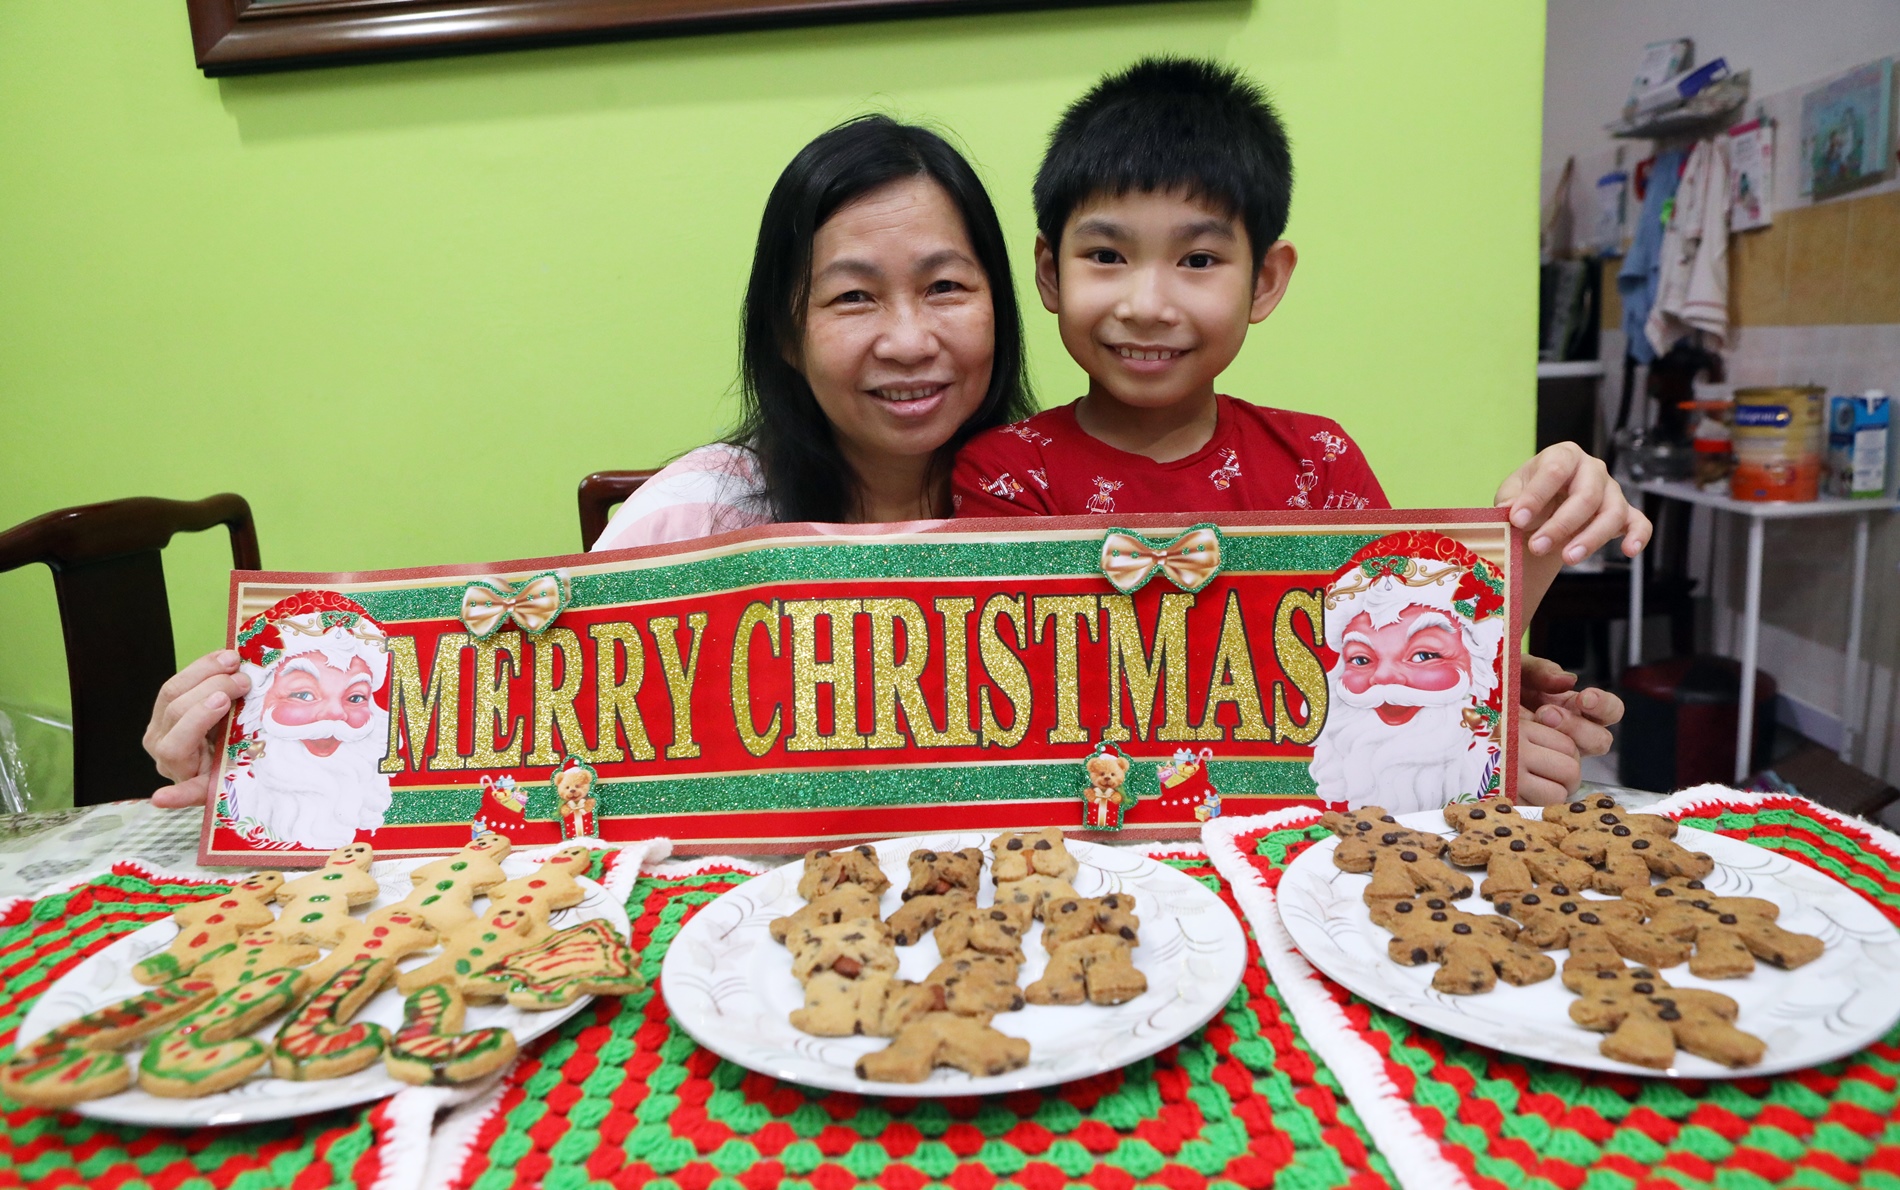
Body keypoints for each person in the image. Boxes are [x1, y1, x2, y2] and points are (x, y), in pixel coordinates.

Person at [143, 115, 1034, 808]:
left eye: (945, 287)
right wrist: (266, 751)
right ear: (784, 333)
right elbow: (516, 725)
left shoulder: (1068, 505)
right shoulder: (693, 521)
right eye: (853, 297)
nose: (908, 339)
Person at [948, 58, 1639, 802]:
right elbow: (1009, 722)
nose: (1146, 303)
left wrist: (1535, 537)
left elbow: (1392, 660)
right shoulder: (1005, 475)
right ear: (1050, 272)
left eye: (1198, 259)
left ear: (1266, 280)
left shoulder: (1318, 463)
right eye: (1106, 256)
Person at [1309, 532, 1510, 813]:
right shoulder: (1317, 801)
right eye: (1361, 659)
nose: (1383, 677)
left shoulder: (1496, 765)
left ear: (1477, 666)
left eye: (1424, 655)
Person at [218, 592, 394, 848]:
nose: (336, 714)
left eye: (356, 697)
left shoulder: (374, 795)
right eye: (303, 694)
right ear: (259, 703)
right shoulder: (242, 778)